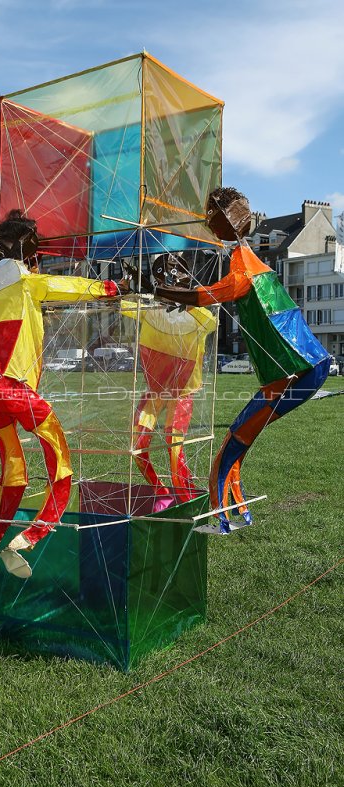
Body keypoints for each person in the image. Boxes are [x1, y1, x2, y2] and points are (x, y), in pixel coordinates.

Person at [0, 209, 124, 579]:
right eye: (33, 243)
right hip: (8, 386)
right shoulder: (25, 280)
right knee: (57, 453)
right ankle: (31, 536)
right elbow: (72, 287)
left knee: (13, 461)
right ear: (17, 243)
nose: (38, 251)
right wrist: (113, 287)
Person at [155, 187, 330, 533]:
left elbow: (208, 295)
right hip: (300, 370)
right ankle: (237, 513)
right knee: (238, 441)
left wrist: (161, 290)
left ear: (224, 221)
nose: (207, 224)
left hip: (298, 372)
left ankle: (221, 520)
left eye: (212, 219)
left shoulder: (245, 270)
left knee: (233, 441)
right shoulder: (250, 260)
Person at [124, 253, 216, 511]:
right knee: (137, 443)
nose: (171, 276)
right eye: (163, 272)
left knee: (173, 444)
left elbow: (211, 320)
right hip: (154, 392)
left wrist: (185, 300)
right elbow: (123, 304)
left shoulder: (199, 315)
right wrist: (132, 287)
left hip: (182, 393)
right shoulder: (150, 310)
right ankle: (161, 492)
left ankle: (186, 501)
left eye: (176, 271)